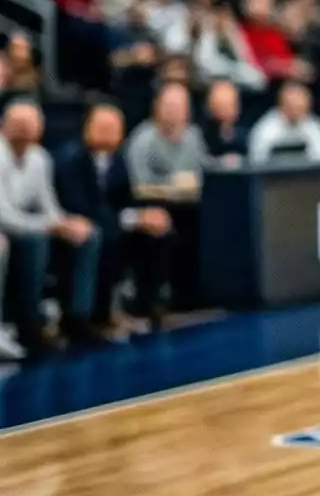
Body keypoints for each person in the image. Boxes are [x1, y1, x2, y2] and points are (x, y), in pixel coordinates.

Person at [56, 103, 169, 343]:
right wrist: (131, 219)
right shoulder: (70, 159)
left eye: (113, 128)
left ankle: (145, 305)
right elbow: (78, 205)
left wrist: (144, 216)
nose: (108, 133)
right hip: (76, 225)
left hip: (111, 224)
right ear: (87, 129)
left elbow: (126, 199)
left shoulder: (118, 161)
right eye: (102, 127)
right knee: (104, 236)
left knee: (157, 231)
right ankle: (88, 317)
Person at [0, 99, 93, 358]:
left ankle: (78, 316)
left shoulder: (40, 158)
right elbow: (4, 215)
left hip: (22, 227)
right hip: (7, 228)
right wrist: (50, 226)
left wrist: (64, 223)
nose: (24, 131)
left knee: (87, 234)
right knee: (34, 241)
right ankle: (28, 324)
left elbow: (48, 205)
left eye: (29, 125)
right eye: (18, 125)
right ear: (4, 126)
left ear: (40, 128)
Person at [123, 81, 207, 319]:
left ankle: (192, 295)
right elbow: (138, 185)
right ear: (156, 107)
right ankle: (150, 299)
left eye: (180, 106)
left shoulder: (193, 136)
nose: (174, 111)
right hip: (151, 205)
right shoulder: (143, 139)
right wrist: (171, 187)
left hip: (189, 205)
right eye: (169, 105)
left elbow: (203, 171)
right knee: (163, 224)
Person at [248, 80, 320, 164]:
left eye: (299, 108)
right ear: (281, 104)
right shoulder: (266, 128)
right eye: (291, 107)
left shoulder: (316, 126)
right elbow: (257, 161)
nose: (295, 112)